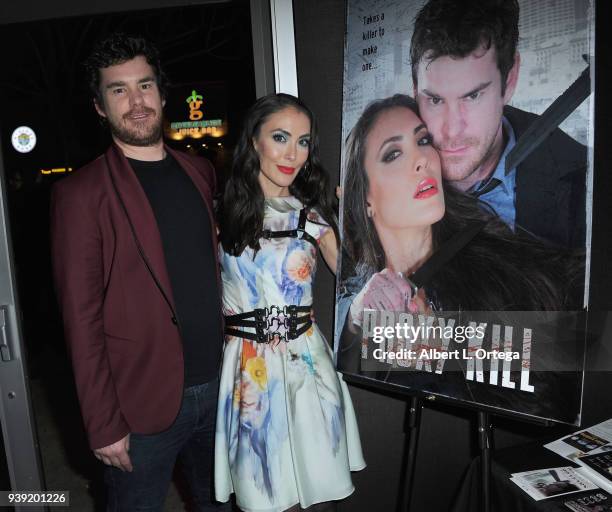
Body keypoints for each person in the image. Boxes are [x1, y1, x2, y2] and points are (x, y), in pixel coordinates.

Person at [51, 33, 228, 511]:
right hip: (140, 404)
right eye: (118, 90)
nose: (136, 102)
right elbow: (80, 319)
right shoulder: (80, 195)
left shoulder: (199, 171)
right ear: (99, 107)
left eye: (144, 85)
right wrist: (102, 422)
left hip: (218, 388)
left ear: (162, 94)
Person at [337, 94, 583, 418]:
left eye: (424, 140)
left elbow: (588, 345)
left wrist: (439, 343)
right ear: (365, 197)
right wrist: (356, 321)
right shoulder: (355, 297)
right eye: (393, 153)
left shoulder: (492, 255)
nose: (422, 159)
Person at [215, 93, 365, 512]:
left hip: (306, 366)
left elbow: (358, 277)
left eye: (303, 142)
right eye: (280, 137)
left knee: (319, 494)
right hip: (249, 369)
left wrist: (355, 217)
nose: (293, 153)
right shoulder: (218, 215)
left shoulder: (313, 215)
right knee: (262, 491)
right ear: (253, 141)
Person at [410, 0, 586, 248]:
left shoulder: (585, 182)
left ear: (510, 79)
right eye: (435, 99)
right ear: (415, 89)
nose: (451, 130)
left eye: (472, 96)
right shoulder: (383, 176)